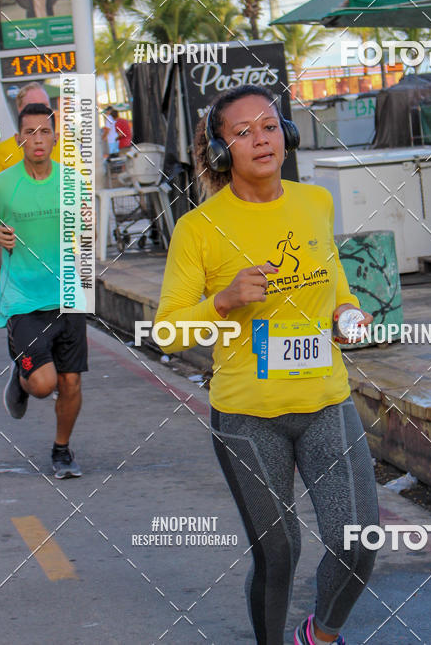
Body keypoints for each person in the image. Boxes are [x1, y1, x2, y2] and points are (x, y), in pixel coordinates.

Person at [156, 84, 378, 645]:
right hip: (248, 418)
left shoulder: (315, 203)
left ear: (289, 135)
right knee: (279, 553)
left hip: (327, 401)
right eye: (243, 131)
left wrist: (348, 313)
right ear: (220, 149)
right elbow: (167, 330)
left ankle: (320, 636)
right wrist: (223, 301)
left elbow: (337, 287)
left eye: (271, 125)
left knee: (357, 540)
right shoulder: (199, 230)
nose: (262, 139)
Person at [0, 103, 87, 479]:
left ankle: (61, 451)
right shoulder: (3, 185)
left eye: (44, 131)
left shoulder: (72, 181)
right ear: (19, 139)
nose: (38, 139)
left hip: (67, 296)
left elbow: (83, 232)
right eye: (30, 132)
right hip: (23, 300)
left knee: (71, 381)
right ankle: (23, 374)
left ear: (55, 137)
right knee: (45, 385)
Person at [0, 83, 61, 180]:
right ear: (20, 110)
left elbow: (83, 189)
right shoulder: (3, 151)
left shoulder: (67, 147)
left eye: (44, 105)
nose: (39, 110)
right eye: (32, 106)